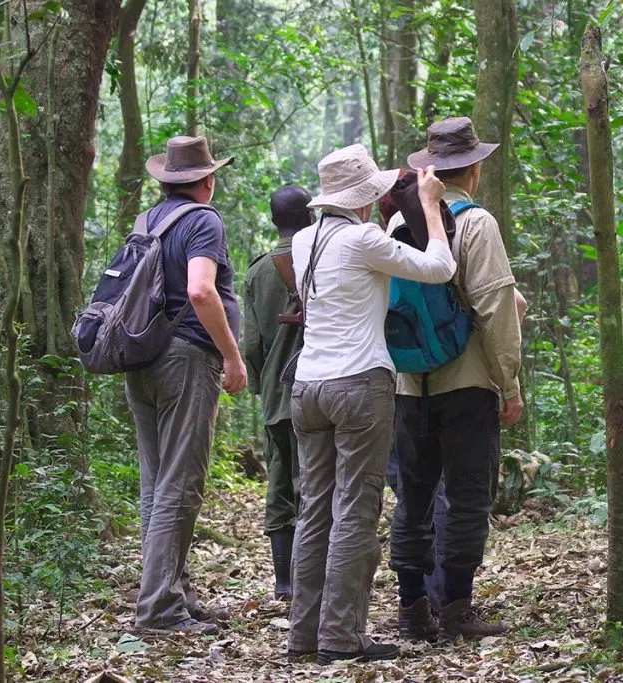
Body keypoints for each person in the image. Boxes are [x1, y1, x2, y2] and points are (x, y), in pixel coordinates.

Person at [286, 144, 457, 664]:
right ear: (367, 197)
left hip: (308, 387)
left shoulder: (302, 240)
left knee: (315, 509)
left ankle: (303, 635)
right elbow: (440, 267)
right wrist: (428, 204)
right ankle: (340, 637)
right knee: (355, 512)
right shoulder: (362, 239)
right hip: (359, 384)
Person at [389, 117, 523, 640]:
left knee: (413, 497)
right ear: (475, 168)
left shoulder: (394, 226)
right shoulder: (476, 223)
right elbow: (495, 308)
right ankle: (457, 609)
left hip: (407, 383)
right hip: (466, 383)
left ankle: (412, 608)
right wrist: (508, 383)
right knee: (468, 495)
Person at [127, 135, 247, 635]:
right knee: (180, 484)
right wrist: (232, 356)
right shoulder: (203, 220)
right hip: (185, 359)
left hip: (143, 358)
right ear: (207, 180)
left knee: (158, 483)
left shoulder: (146, 221)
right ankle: (158, 609)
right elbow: (200, 289)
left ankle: (171, 592)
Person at [243, 185, 315, 601]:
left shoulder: (257, 272)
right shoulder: (321, 255)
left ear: (274, 222)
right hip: (319, 384)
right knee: (316, 482)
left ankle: (284, 582)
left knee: (280, 482)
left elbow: (251, 344)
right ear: (310, 216)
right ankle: (311, 577)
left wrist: (260, 385)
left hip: (276, 393)